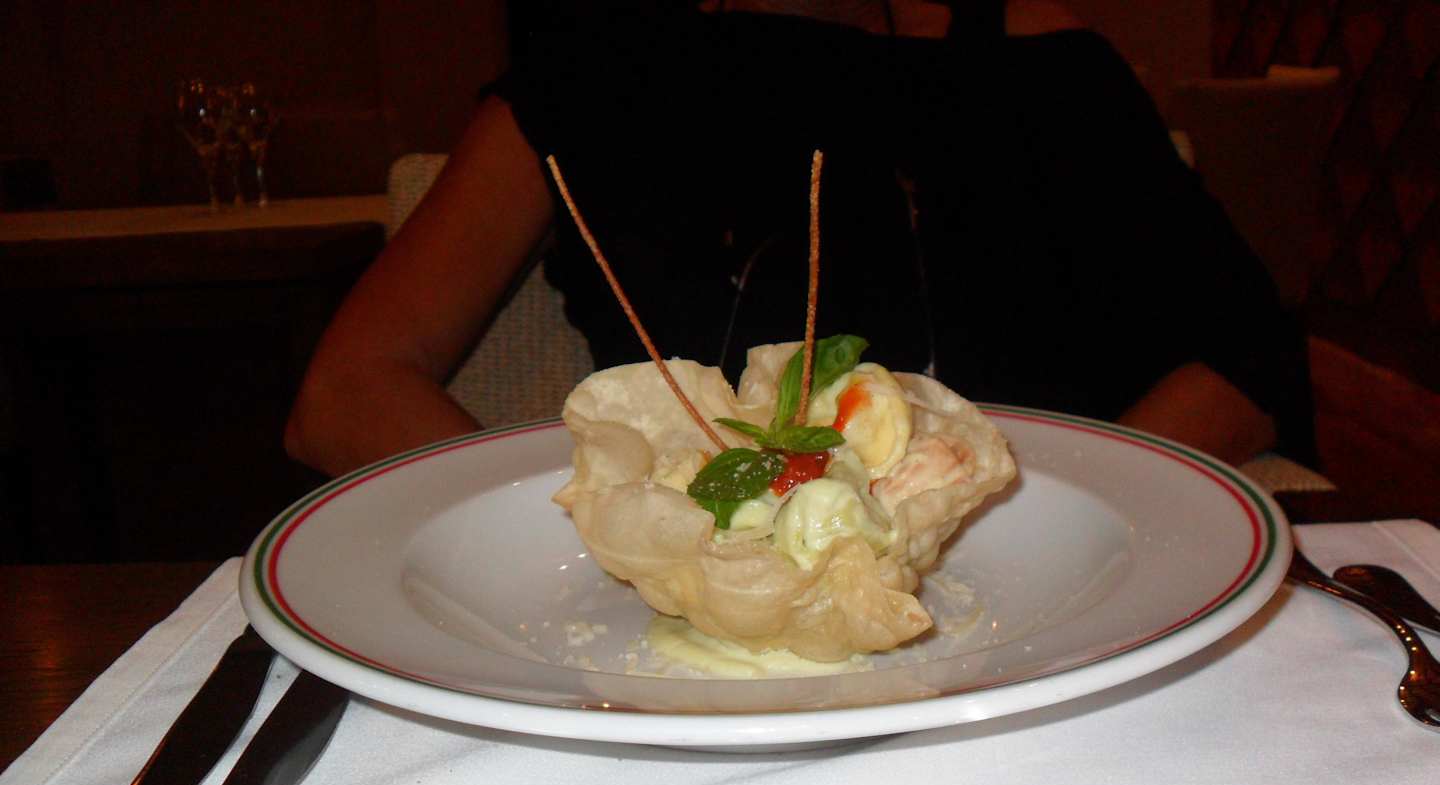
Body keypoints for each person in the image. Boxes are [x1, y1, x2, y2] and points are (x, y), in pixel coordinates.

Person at [285, 0, 1314, 479]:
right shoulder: (593, 73)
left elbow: (1248, 357)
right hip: (717, 631)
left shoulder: (1048, 65)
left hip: (1052, 613)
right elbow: (344, 396)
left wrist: (1064, 513)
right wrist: (572, 533)